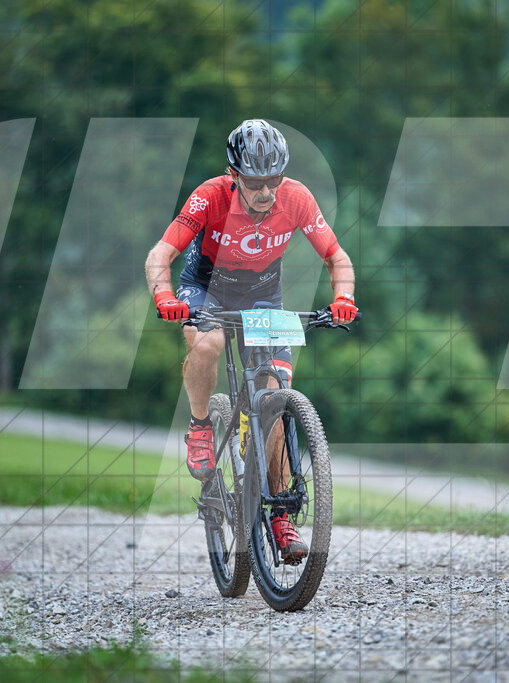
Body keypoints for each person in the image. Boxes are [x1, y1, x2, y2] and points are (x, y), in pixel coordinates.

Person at [145, 119, 357, 561]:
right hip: (207, 286)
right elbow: (160, 254)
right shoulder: (209, 196)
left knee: (276, 398)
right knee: (209, 345)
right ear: (234, 174)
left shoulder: (296, 197)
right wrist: (164, 295)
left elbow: (337, 256)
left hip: (263, 294)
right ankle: (201, 427)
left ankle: (279, 516)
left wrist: (343, 297)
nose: (266, 192)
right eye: (255, 182)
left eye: (273, 180)